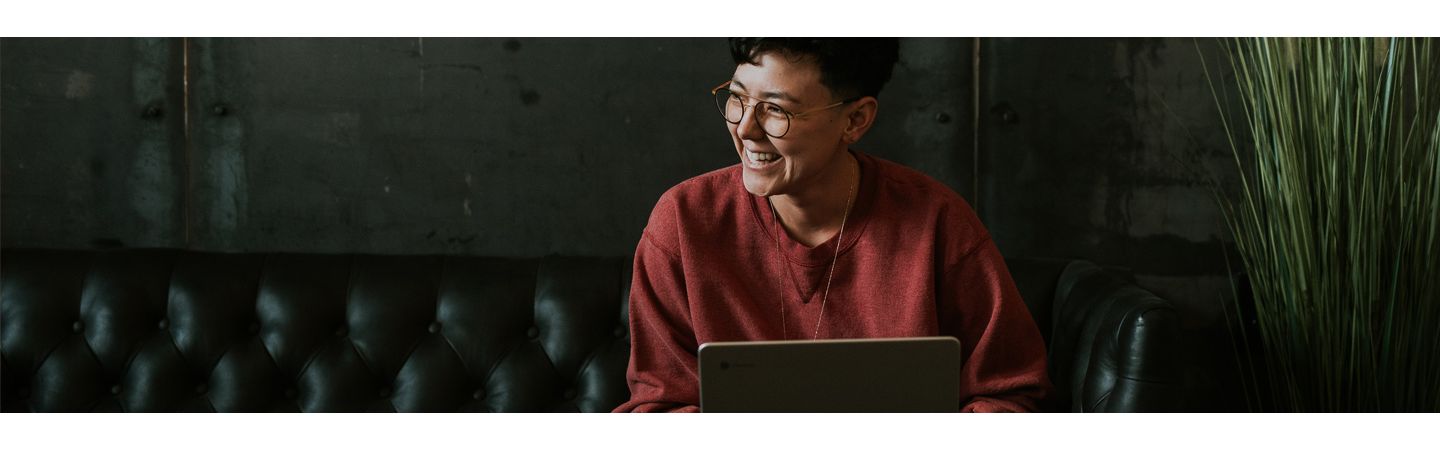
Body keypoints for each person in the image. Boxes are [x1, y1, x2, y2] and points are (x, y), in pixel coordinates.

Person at [614, 38, 1051, 412]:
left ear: (855, 120)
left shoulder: (938, 224)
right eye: (737, 97)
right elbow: (659, 405)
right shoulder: (685, 222)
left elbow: (1011, 396)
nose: (745, 128)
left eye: (775, 110)